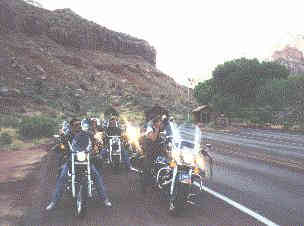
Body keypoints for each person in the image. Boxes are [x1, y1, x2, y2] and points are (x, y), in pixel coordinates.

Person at [46, 119, 112, 211]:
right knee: (62, 177)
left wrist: (97, 145)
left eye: (79, 125)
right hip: (71, 161)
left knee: (96, 175)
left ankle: (105, 199)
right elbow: (61, 145)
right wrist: (60, 147)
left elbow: (95, 141)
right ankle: (54, 202)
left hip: (85, 160)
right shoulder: (67, 136)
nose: (78, 126)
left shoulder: (87, 134)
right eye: (76, 125)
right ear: (71, 126)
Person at [141, 115, 164, 193]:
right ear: (156, 123)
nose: (161, 123)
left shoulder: (160, 129)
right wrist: (157, 130)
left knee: (158, 166)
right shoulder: (150, 128)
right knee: (148, 168)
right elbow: (153, 138)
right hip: (150, 151)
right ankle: (144, 187)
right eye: (160, 122)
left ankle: (156, 183)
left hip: (157, 151)